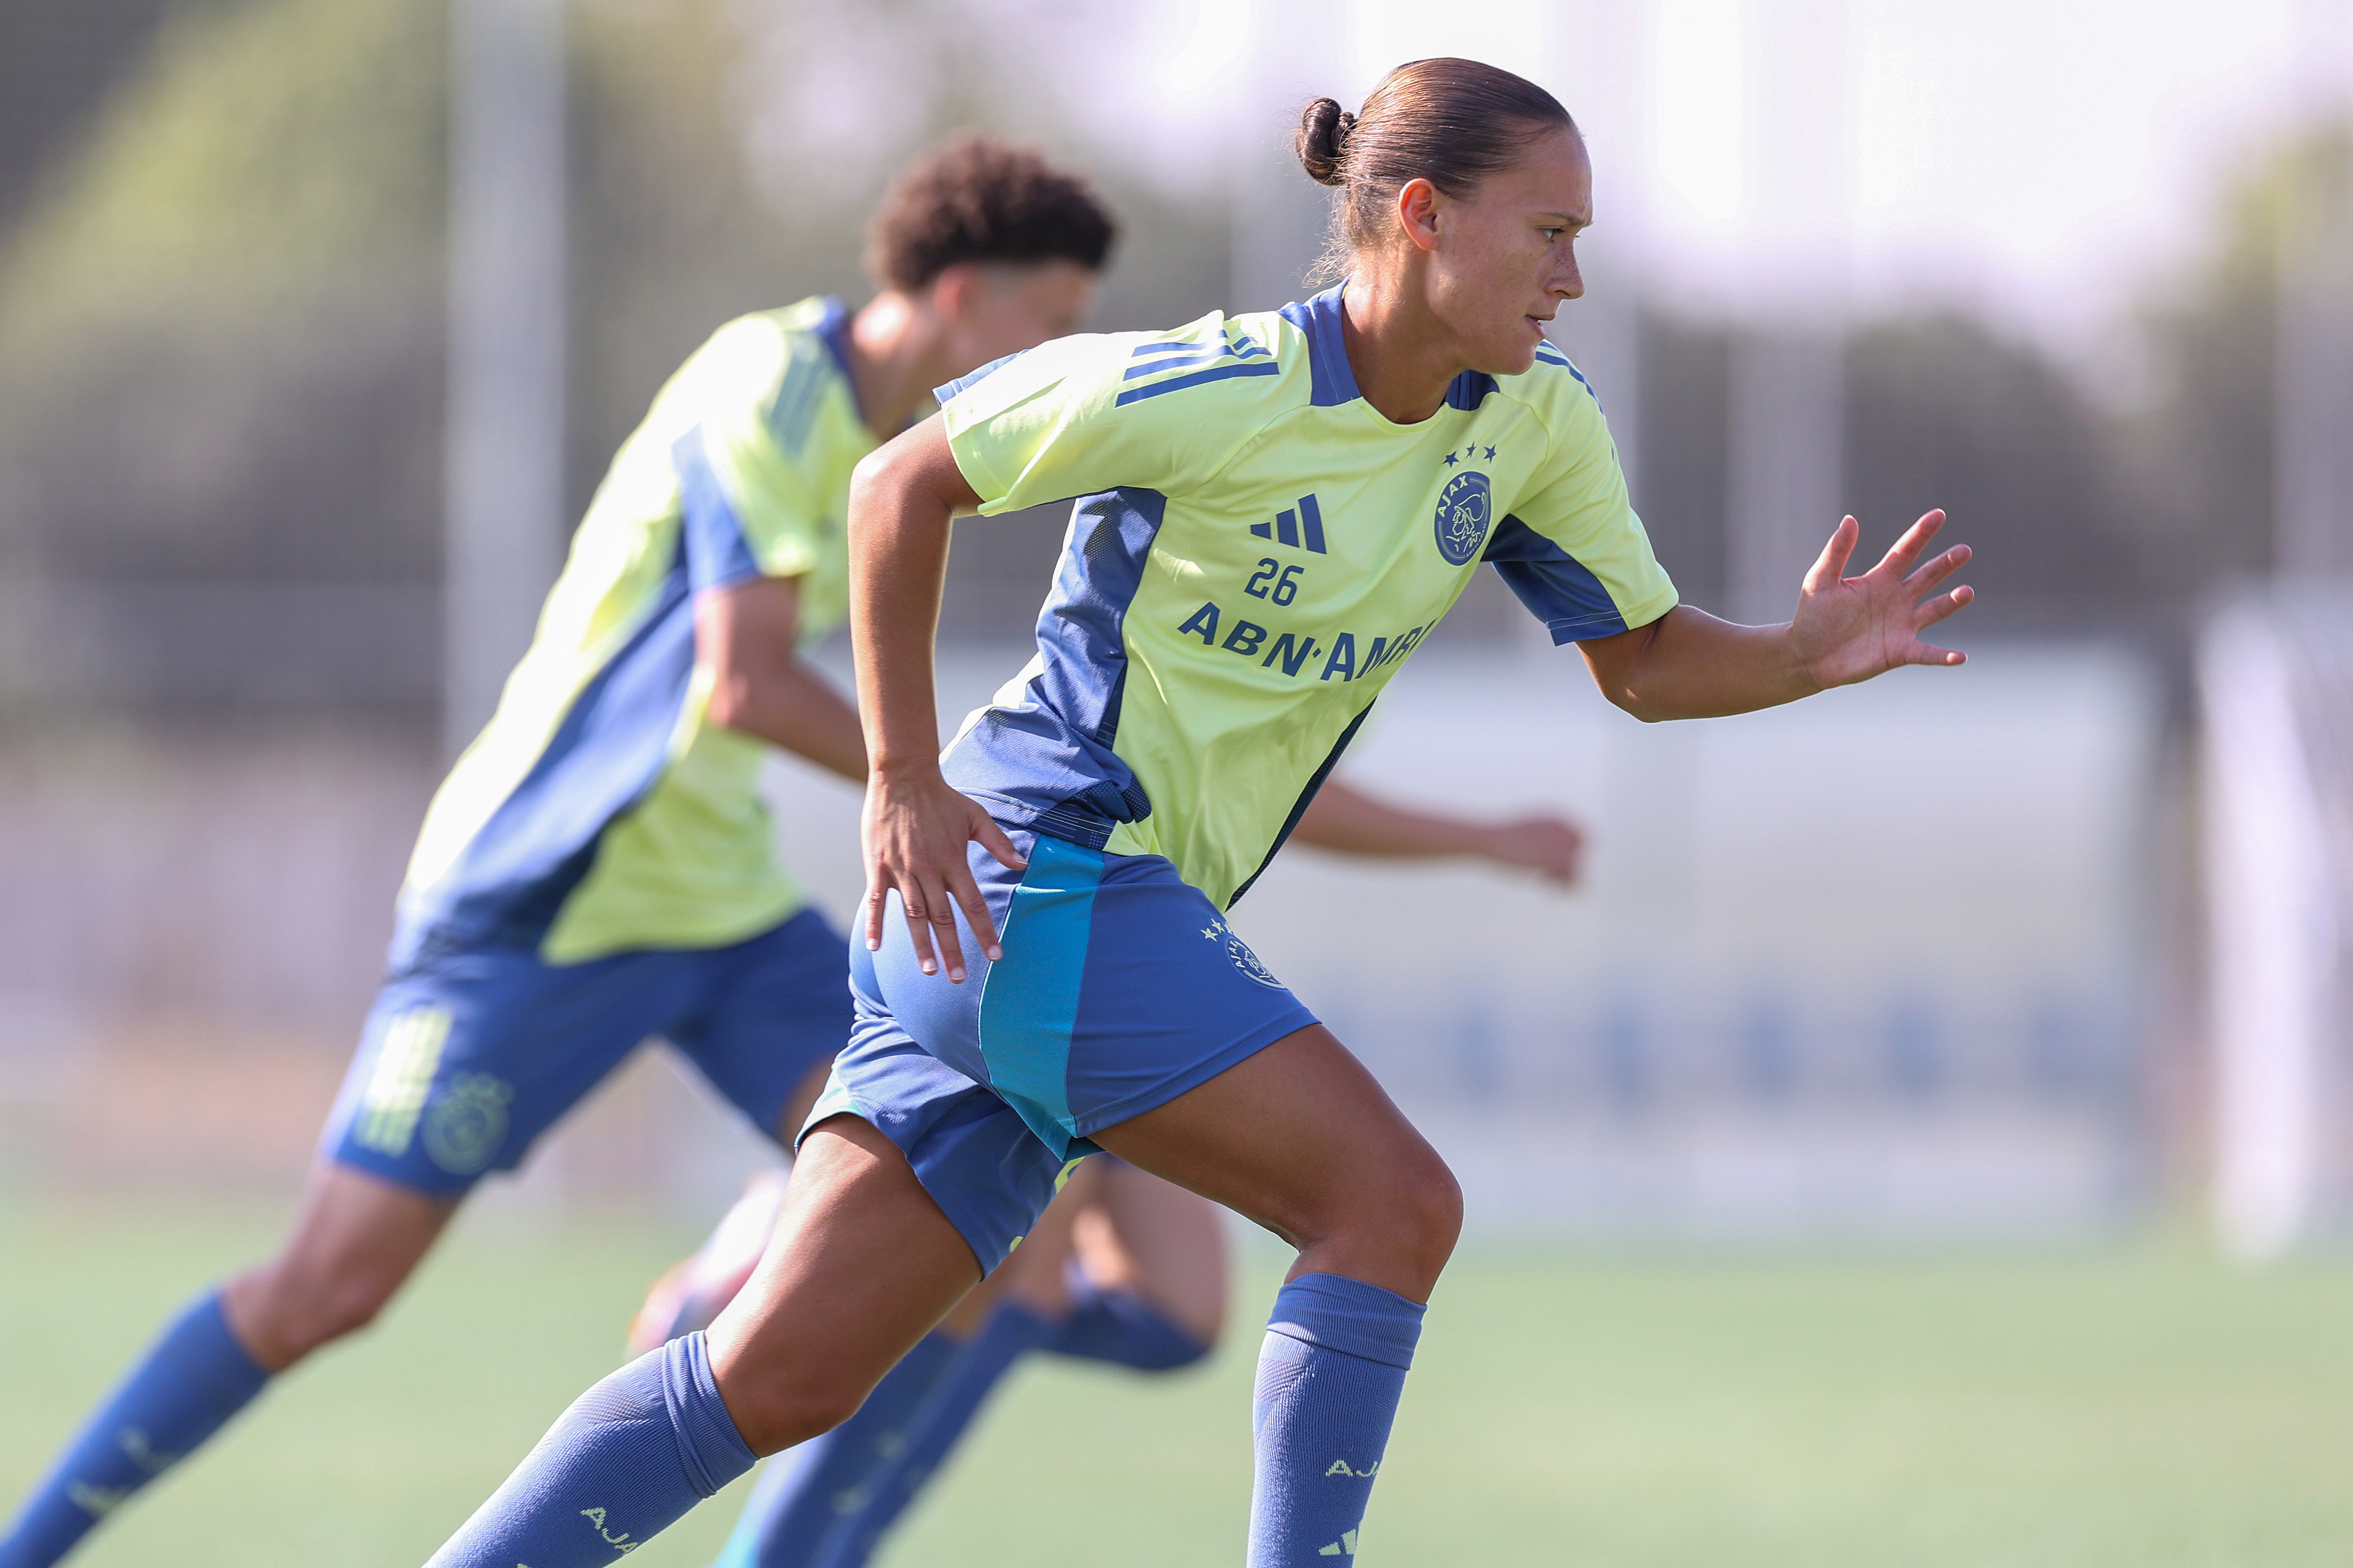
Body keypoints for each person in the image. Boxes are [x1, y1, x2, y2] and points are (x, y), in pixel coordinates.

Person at [410, 56, 1975, 1568]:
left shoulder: (1532, 425)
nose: (1571, 276)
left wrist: (1795, 655)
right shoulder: (1220, 379)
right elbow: (898, 484)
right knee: (1390, 1199)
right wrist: (901, 780)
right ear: (1420, 214)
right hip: (1037, 875)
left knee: (772, 1378)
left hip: (1037, 926)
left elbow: (1637, 664)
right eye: (1549, 233)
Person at [0, 135, 1119, 1568]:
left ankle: (754, 1435)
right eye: (1058, 320)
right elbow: (744, 679)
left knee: (959, 1200)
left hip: (712, 910)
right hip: (536, 897)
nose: (1066, 353)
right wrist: (953, 786)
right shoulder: (769, 385)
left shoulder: (894, 443)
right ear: (965, 295)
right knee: (327, 1284)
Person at [633, 790, 1588, 1568]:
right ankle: (792, 1529)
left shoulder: (1365, 622)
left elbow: (1290, 794)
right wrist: (1483, 833)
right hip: (1063, 918)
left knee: (1172, 1318)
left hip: (1157, 947)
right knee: (1016, 1265)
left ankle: (797, 1258)